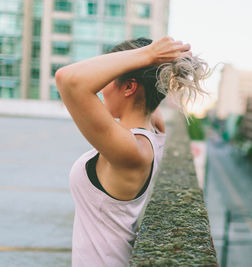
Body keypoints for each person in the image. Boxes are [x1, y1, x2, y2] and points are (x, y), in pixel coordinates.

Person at [55, 37, 209, 266]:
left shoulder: (131, 151)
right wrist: (150, 57)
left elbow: (67, 79)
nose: (100, 88)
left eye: (107, 80)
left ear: (129, 87)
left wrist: (148, 55)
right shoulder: (155, 130)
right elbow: (149, 94)